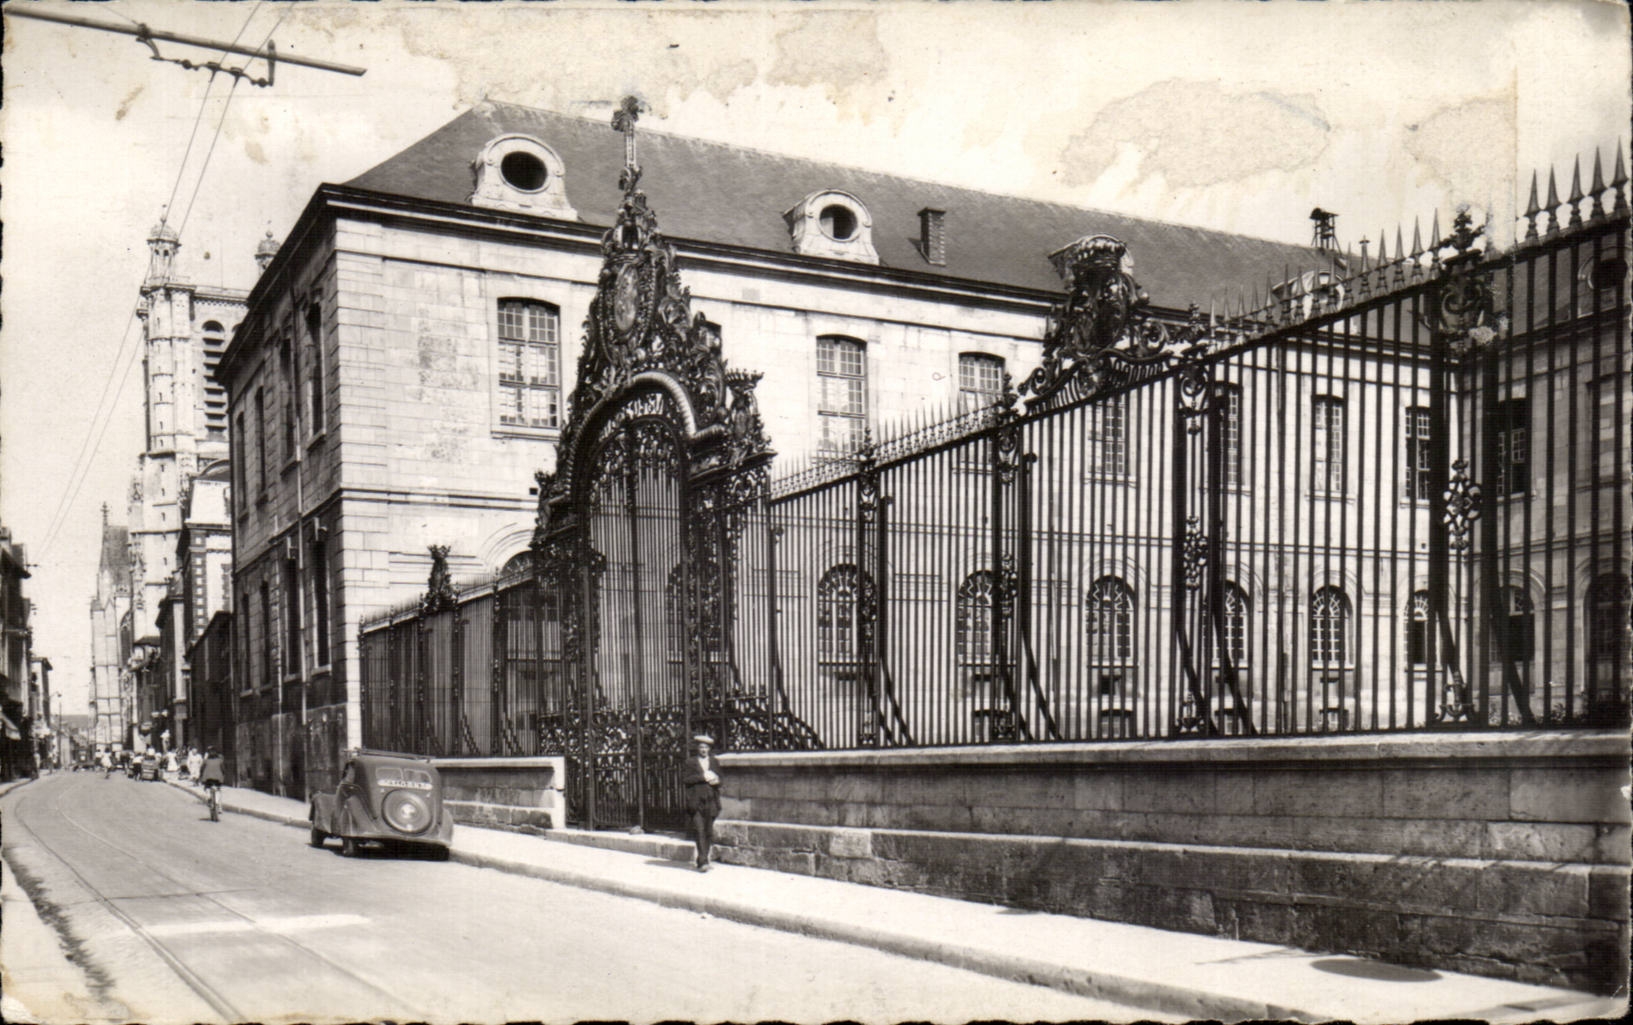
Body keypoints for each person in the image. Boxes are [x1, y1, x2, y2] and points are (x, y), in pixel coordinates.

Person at [680, 733, 724, 872]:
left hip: (711, 801)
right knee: (699, 830)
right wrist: (702, 777)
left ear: (709, 749)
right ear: (697, 748)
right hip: (696, 801)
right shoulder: (690, 762)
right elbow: (686, 779)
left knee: (708, 831)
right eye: (701, 747)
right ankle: (703, 861)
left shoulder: (714, 762)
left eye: (706, 747)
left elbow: (721, 779)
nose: (704, 750)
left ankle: (703, 858)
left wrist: (717, 781)